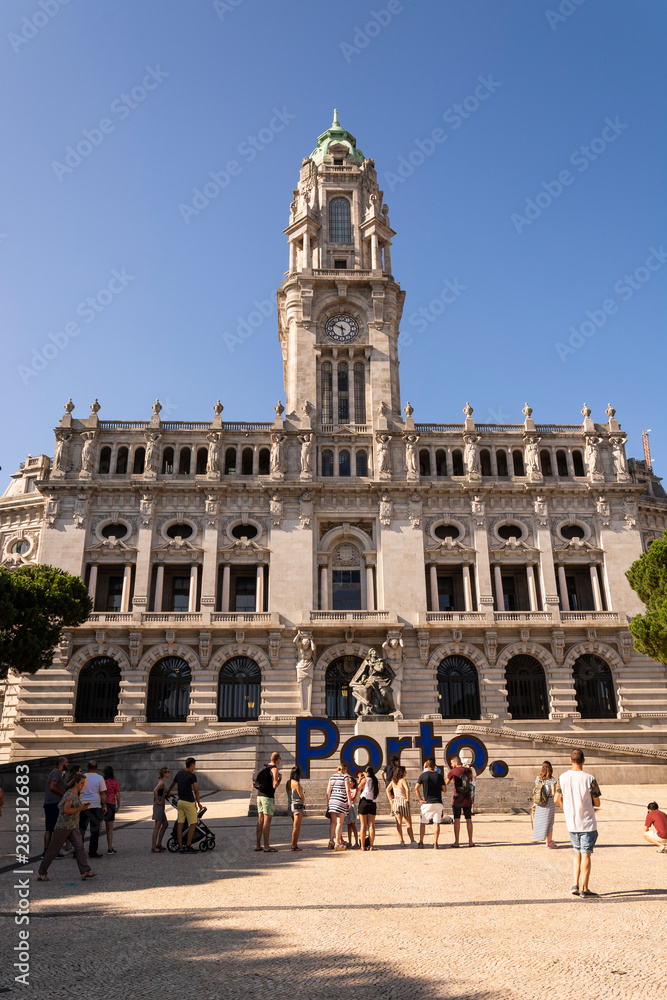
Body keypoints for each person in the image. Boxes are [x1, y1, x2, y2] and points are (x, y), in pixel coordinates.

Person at [554, 749, 601, 897]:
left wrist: (567, 809)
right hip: (587, 823)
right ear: (584, 761)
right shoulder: (590, 778)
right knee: (586, 854)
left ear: (571, 760)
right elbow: (597, 802)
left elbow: (556, 799)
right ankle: (585, 889)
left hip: (572, 823)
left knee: (576, 853)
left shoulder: (562, 777)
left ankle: (575, 884)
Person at [38, 773, 96, 882]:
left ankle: (84, 871)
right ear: (76, 783)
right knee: (53, 850)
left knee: (79, 848)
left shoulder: (76, 794)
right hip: (63, 826)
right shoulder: (69, 795)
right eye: (82, 783)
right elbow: (66, 810)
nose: (83, 785)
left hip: (73, 826)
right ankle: (41, 873)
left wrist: (83, 806)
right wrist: (80, 809)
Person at [166, 757, 203, 854]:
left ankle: (181, 847)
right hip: (189, 802)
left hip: (180, 802)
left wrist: (168, 792)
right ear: (191, 765)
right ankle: (188, 846)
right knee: (193, 823)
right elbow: (196, 790)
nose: (194, 767)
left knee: (180, 823)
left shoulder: (179, 773)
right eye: (194, 765)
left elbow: (172, 784)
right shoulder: (192, 775)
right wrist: (198, 802)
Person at [79, 760, 107, 858]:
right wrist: (105, 805)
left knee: (81, 829)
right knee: (94, 831)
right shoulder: (100, 778)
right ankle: (92, 852)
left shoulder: (82, 777)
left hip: (83, 805)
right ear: (96, 768)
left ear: (87, 767)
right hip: (95, 806)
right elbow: (103, 793)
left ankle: (78, 852)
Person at [254, 752, 282, 853]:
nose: (280, 761)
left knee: (260, 821)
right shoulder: (274, 769)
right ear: (277, 759)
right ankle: (266, 846)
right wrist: (279, 779)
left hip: (259, 796)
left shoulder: (264, 766)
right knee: (267, 822)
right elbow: (274, 785)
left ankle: (258, 845)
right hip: (268, 798)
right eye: (280, 759)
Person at [415, 757, 445, 849]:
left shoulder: (423, 776)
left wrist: (420, 799)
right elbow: (444, 790)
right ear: (435, 766)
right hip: (437, 802)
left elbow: (416, 788)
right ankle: (435, 842)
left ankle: (421, 842)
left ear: (426, 765)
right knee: (436, 823)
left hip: (427, 802)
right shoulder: (439, 776)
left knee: (423, 822)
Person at [446, 754, 475, 847]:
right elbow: (469, 780)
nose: (451, 765)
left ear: (455, 762)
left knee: (457, 819)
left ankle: (457, 842)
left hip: (457, 798)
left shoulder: (452, 771)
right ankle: (470, 841)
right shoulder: (468, 770)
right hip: (467, 798)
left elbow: (446, 782)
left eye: (451, 763)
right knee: (469, 820)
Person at [43, 755, 68, 858]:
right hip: (54, 804)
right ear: (62, 763)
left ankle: (46, 852)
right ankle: (52, 852)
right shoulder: (56, 772)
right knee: (55, 829)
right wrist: (63, 794)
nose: (68, 764)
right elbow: (52, 786)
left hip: (49, 803)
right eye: (67, 762)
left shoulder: (57, 772)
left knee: (49, 828)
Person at [531, 760, 558, 848]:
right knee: (549, 823)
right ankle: (549, 842)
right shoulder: (552, 780)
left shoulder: (538, 779)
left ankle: (540, 837)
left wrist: (534, 803)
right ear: (550, 769)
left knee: (541, 822)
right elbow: (553, 793)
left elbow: (536, 791)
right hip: (549, 803)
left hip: (539, 803)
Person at [326, 763, 352, 851]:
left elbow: (328, 790)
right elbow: (347, 790)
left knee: (333, 822)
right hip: (341, 800)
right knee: (339, 823)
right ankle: (337, 842)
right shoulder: (345, 777)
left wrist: (328, 802)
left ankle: (331, 841)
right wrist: (349, 801)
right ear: (344, 770)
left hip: (332, 800)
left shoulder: (332, 777)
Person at [388, 766, 415, 845]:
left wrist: (390, 798)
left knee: (398, 823)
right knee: (408, 824)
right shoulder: (403, 780)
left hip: (396, 801)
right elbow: (407, 789)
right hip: (403, 801)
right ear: (402, 772)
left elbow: (387, 790)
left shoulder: (393, 781)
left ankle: (401, 841)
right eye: (405, 771)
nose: (406, 773)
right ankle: (412, 840)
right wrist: (408, 798)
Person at [357, 765, 380, 851]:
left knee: (363, 825)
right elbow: (377, 794)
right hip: (372, 803)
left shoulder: (365, 780)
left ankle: (362, 846)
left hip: (364, 802)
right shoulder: (376, 781)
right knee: (371, 825)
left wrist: (359, 779)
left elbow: (358, 788)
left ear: (367, 773)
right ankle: (371, 845)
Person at [286, 765, 305, 851]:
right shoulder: (297, 784)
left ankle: (294, 844)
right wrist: (303, 803)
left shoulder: (288, 783)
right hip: (297, 806)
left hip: (290, 805)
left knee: (295, 826)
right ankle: (294, 845)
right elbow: (301, 796)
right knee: (296, 827)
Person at [103, 765, 121, 855]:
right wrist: (118, 805)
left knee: (98, 827)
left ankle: (93, 847)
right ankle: (110, 848)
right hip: (111, 804)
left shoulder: (102, 782)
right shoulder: (114, 782)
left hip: (101, 804)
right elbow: (117, 794)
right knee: (109, 828)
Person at [152, 767, 170, 852]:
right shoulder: (161, 782)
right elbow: (155, 790)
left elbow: (166, 792)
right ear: (164, 773)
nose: (169, 773)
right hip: (158, 807)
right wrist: (157, 800)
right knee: (157, 826)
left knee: (165, 824)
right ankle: (154, 846)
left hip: (161, 808)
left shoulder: (163, 783)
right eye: (167, 772)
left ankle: (159, 844)